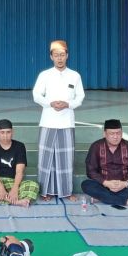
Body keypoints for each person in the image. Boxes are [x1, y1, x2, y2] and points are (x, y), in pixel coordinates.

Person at [33, 40, 85, 201]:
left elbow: (80, 97)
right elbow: (36, 95)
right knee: (46, 158)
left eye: (62, 55)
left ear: (67, 55)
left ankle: (66, 191)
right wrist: (50, 103)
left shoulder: (75, 75)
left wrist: (68, 104)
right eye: (56, 55)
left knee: (66, 158)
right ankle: (46, 191)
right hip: (48, 121)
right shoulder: (45, 75)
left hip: (66, 122)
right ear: (51, 57)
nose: (60, 58)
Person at [81, 119, 128, 207]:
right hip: (104, 185)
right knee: (86, 185)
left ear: (122, 133)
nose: (115, 137)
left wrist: (124, 184)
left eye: (118, 133)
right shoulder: (96, 146)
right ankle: (125, 201)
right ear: (104, 134)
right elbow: (90, 171)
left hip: (124, 186)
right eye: (112, 133)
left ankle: (102, 198)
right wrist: (106, 183)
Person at [0, 119, 40, 207]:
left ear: (12, 132)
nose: (5, 136)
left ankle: (1, 198)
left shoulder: (19, 146)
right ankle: (16, 202)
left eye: (8, 132)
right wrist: (0, 187)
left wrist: (15, 189)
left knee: (33, 185)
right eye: (2, 132)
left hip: (14, 181)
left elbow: (19, 171)